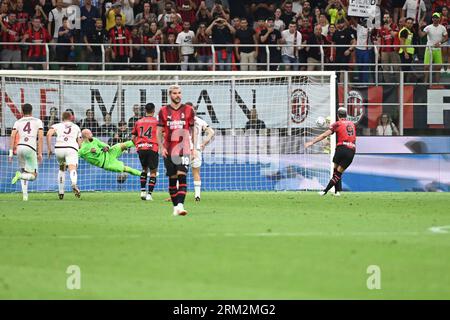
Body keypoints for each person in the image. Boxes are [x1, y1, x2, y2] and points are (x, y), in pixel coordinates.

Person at [157, 85, 196, 216]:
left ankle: (181, 205)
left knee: (182, 175)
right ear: (170, 95)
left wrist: (193, 148)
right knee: (172, 179)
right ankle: (175, 207)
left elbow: (193, 130)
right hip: (168, 149)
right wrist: (161, 147)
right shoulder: (163, 111)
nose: (177, 95)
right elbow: (158, 131)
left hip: (183, 148)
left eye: (179, 93)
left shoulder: (189, 110)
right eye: (174, 93)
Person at [305, 107, 356, 196]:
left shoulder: (337, 124)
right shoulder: (352, 124)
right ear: (346, 115)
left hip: (341, 148)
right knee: (338, 173)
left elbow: (324, 135)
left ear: (337, 115)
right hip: (351, 150)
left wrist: (312, 142)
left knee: (335, 171)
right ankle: (337, 192)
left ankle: (325, 191)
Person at [9, 103, 44, 201]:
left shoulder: (18, 122)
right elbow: (40, 137)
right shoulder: (38, 121)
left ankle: (25, 197)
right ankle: (19, 176)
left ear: (22, 111)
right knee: (33, 176)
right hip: (30, 148)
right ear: (32, 111)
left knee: (24, 171)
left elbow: (12, 136)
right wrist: (40, 153)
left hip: (20, 147)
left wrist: (11, 153)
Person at [46, 111, 82, 199]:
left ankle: (61, 192)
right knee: (72, 167)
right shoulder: (76, 127)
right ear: (71, 118)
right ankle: (74, 183)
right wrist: (80, 148)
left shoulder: (57, 125)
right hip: (71, 147)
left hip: (59, 148)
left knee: (62, 168)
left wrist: (49, 148)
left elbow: (48, 134)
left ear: (62, 118)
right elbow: (80, 141)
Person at [131, 103, 159, 201]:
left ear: (145, 110)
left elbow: (133, 137)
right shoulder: (156, 122)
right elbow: (162, 135)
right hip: (152, 147)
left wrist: (138, 146)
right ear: (154, 110)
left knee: (144, 169)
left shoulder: (138, 122)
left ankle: (143, 191)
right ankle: (149, 194)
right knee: (153, 172)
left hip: (141, 148)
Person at [190, 108, 215, 202]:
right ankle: (197, 196)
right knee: (196, 172)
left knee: (179, 173)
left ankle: (176, 195)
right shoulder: (200, 121)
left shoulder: (182, 120)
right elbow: (211, 132)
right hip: (197, 150)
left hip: (185, 150)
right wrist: (204, 143)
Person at [419, 12, 448, 84]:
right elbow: (421, 35)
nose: (435, 19)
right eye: (434, 17)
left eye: (437, 17)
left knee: (438, 67)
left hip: (438, 49)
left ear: (439, 19)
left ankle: (437, 83)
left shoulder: (442, 27)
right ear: (432, 19)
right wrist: (419, 27)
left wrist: (440, 43)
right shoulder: (428, 27)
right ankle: (425, 82)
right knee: (426, 67)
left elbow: (446, 37)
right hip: (429, 49)